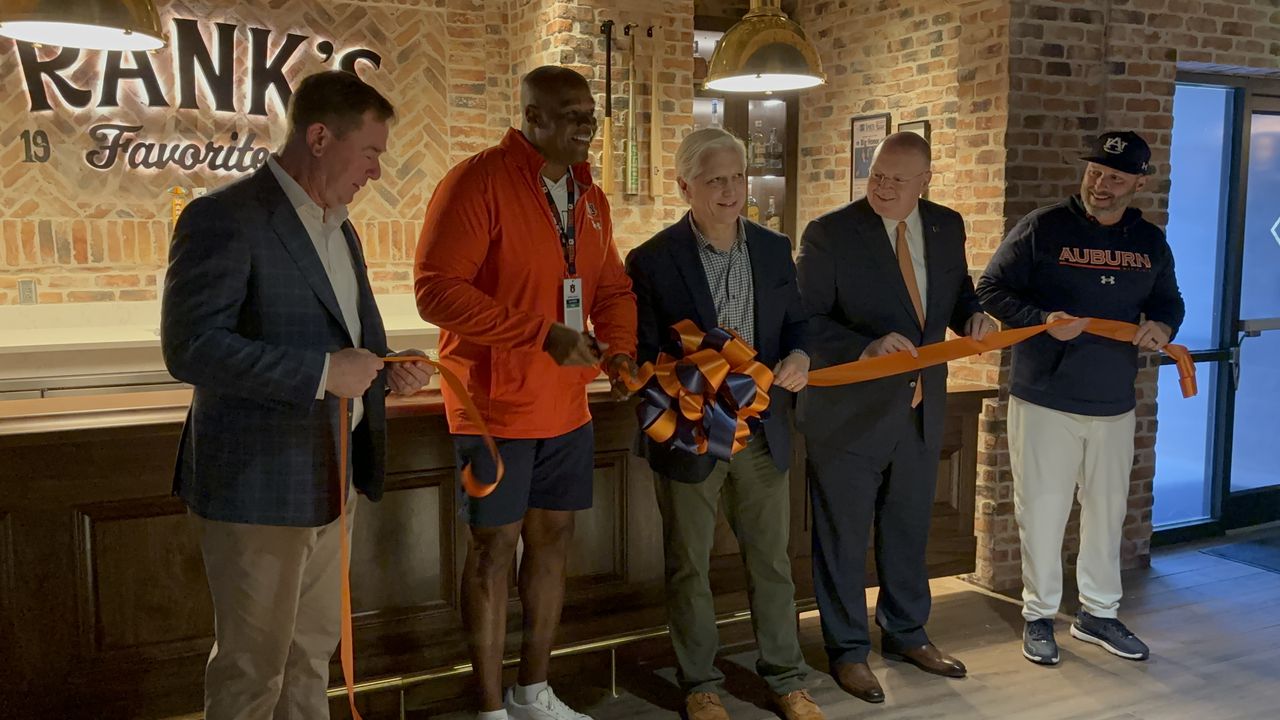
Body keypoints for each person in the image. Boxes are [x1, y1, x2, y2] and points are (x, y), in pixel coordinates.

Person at [161, 70, 434, 719]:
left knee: (311, 655)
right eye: (370, 151)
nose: (376, 170)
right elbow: (191, 347)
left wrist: (388, 368)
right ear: (319, 136)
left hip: (333, 484)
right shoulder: (223, 218)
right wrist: (319, 374)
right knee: (252, 671)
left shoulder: (341, 227)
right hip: (257, 490)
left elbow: (349, 337)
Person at [413, 65, 637, 720]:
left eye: (590, 113)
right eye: (570, 113)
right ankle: (488, 708)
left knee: (554, 540)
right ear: (531, 118)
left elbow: (611, 289)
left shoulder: (590, 198)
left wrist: (619, 349)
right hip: (493, 405)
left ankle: (533, 691)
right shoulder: (478, 182)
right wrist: (540, 336)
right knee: (494, 550)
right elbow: (437, 291)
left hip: (566, 404)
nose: (585, 124)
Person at [624, 128, 822, 720]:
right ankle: (700, 686)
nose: (731, 190)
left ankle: (786, 677)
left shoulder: (773, 246)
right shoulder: (651, 260)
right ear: (685, 186)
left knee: (772, 563)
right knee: (689, 565)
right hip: (689, 437)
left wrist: (802, 356)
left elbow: (800, 323)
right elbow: (639, 352)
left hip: (763, 433)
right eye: (715, 180)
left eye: (738, 177)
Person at [795, 132, 995, 704]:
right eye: (876, 175)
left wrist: (975, 318)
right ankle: (848, 652)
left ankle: (907, 632)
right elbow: (804, 321)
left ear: (925, 181)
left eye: (896, 179)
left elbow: (958, 297)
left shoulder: (946, 225)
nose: (882, 186)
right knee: (843, 537)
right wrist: (863, 346)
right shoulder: (829, 232)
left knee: (908, 528)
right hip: (849, 414)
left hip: (921, 410)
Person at [976, 130, 1185, 667]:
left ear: (1139, 182)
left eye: (1116, 177)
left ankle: (1098, 613)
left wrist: (1161, 325)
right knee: (1042, 511)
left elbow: (1169, 302)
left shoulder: (1150, 241)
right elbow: (991, 289)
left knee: (1107, 512)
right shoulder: (1044, 227)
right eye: (1095, 172)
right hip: (1045, 395)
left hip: (1114, 398)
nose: (1102, 185)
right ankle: (1039, 616)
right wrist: (1042, 320)